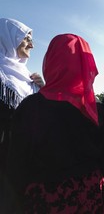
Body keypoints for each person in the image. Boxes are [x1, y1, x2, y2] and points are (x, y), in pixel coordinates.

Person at [6, 34, 104, 213]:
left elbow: (17, 162)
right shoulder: (96, 110)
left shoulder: (32, 107)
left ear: (51, 61)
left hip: (47, 198)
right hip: (91, 193)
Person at [0, 18, 44, 212]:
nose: (32, 45)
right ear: (9, 38)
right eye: (26, 39)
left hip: (22, 163)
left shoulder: (27, 78)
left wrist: (44, 88)